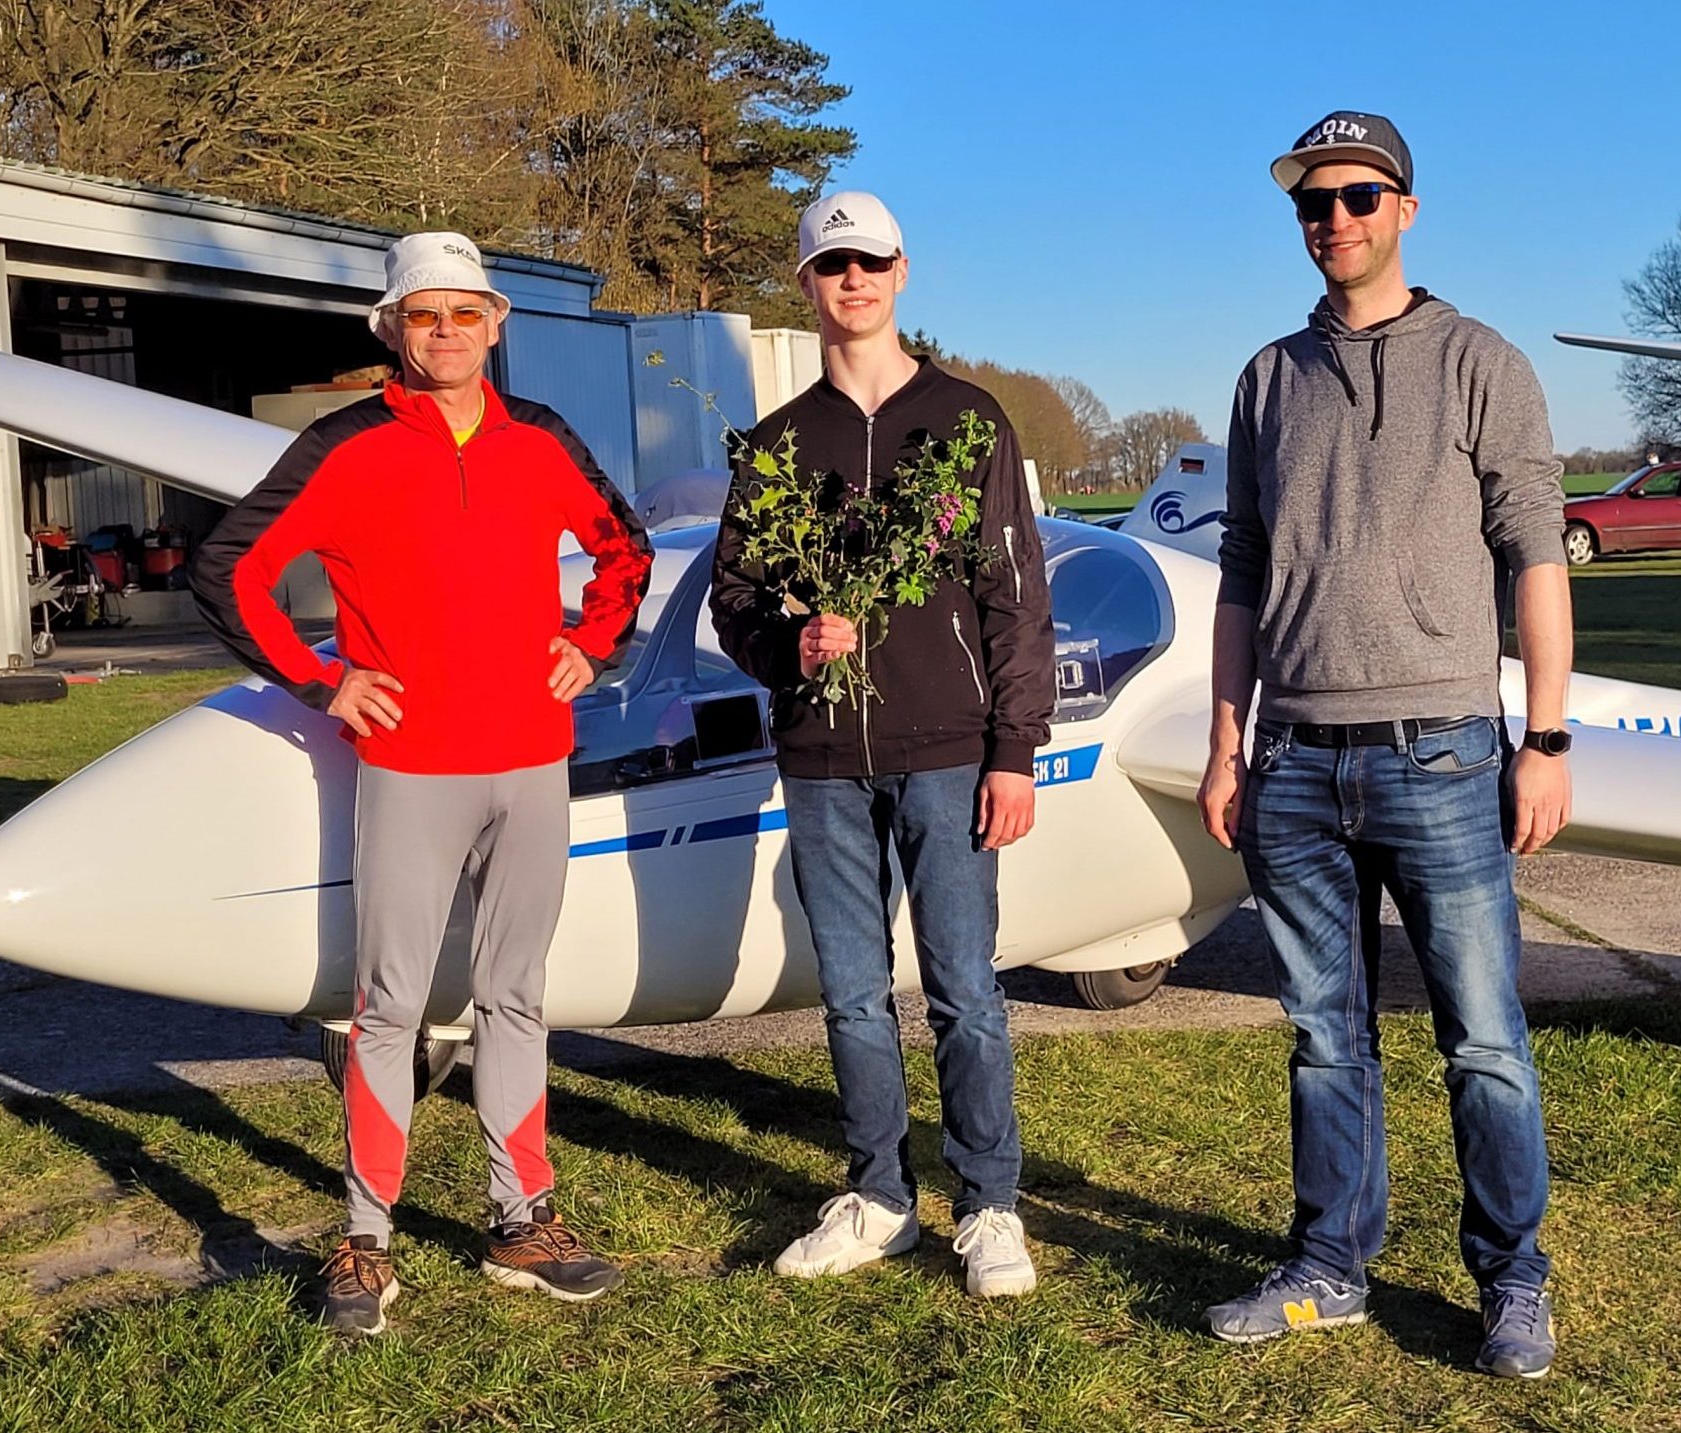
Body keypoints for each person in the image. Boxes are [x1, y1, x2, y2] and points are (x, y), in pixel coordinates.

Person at [191, 231, 651, 1336]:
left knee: (517, 995)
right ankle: (367, 1239)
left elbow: (623, 548)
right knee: (389, 1004)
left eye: (465, 314)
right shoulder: (345, 445)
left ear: (496, 325)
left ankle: (520, 1219)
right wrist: (321, 679)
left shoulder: (539, 438)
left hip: (532, 758)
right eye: (423, 315)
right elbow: (231, 568)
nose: (445, 333)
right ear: (394, 328)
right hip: (408, 766)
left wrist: (591, 643)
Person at [1194, 112, 1577, 1377]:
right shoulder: (1267, 376)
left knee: (1482, 1035)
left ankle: (1513, 1278)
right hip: (1294, 759)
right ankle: (1329, 1264)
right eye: (1313, 201)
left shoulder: (1481, 362)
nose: (1334, 220)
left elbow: (1536, 556)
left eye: (1359, 196)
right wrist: (1225, 742)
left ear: (1405, 207)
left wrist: (1548, 736)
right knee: (1322, 1033)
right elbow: (1242, 569)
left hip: (1447, 754)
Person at [708, 190, 1054, 1299]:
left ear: (903, 272)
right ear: (805, 283)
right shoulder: (774, 446)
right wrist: (788, 644)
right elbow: (734, 597)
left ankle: (990, 1204)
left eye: (869, 262)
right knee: (854, 995)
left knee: (963, 988)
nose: (850, 281)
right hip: (820, 763)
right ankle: (879, 1196)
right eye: (829, 265)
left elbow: (1015, 596)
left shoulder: (967, 422)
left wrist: (1015, 746)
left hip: (950, 750)